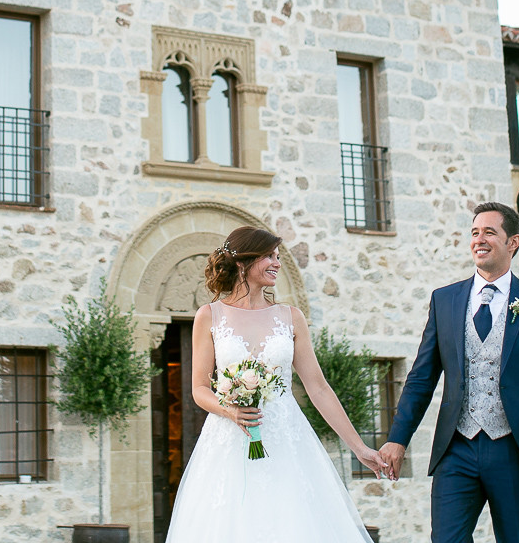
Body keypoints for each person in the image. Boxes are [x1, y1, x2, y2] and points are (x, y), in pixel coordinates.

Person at [164, 225, 388, 541]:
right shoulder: (209, 315)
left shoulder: (291, 317)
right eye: (269, 255)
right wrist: (229, 411)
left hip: (287, 442)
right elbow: (200, 388)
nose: (277, 263)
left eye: (278, 256)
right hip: (229, 443)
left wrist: (359, 448)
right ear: (242, 261)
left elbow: (318, 387)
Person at [379, 202, 519, 543]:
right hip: (457, 448)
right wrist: (398, 439)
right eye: (475, 232)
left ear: (513, 241)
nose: (479, 239)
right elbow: (421, 379)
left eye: (490, 232)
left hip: (514, 451)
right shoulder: (444, 300)